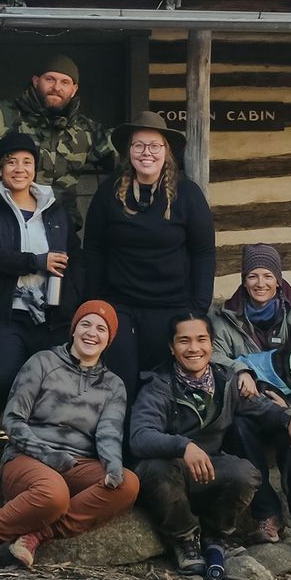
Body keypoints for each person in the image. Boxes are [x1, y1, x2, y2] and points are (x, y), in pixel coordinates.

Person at [0, 301, 140, 570]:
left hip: (77, 464)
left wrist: (113, 465)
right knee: (53, 493)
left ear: (109, 340)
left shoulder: (113, 385)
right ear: (73, 330)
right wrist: (48, 455)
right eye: (85, 324)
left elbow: (108, 433)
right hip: (27, 458)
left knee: (127, 484)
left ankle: (37, 535)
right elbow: (13, 421)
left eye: (101, 329)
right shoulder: (42, 362)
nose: (91, 333)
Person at [130, 313, 291, 577]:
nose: (194, 348)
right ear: (172, 347)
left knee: (244, 473)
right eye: (184, 341)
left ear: (212, 344)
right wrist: (183, 447)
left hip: (208, 469)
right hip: (170, 470)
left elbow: (260, 407)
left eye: (201, 339)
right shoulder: (159, 385)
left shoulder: (225, 381)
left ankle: (217, 536)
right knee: (155, 471)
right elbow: (140, 436)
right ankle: (185, 540)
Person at [83, 111, 215, 410]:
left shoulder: (188, 195)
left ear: (166, 151)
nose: (147, 153)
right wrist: (94, 305)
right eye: (138, 145)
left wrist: (197, 307)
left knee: (159, 384)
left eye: (155, 146)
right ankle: (120, 452)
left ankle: (157, 449)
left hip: (171, 306)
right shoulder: (108, 194)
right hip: (121, 306)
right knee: (121, 381)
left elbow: (204, 253)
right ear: (128, 151)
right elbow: (93, 249)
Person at [210, 243, 291, 572]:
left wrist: (289, 403)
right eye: (252, 276)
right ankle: (266, 512)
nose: (259, 283)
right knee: (237, 429)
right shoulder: (225, 316)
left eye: (267, 276)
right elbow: (216, 356)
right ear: (243, 280)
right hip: (249, 406)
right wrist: (243, 370)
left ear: (278, 280)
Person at [0, 128, 82, 441]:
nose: (19, 169)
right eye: (11, 162)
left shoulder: (55, 211)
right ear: (0, 169)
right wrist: (35, 261)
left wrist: (75, 304)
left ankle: (31, 438)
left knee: (50, 383)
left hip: (51, 312)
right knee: (0, 376)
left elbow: (75, 257)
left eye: (27, 162)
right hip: (7, 310)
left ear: (35, 167)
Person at [0, 54, 115, 220]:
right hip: (8, 229)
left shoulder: (85, 130)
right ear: (36, 81)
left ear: (74, 89)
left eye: (65, 82)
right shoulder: (3, 117)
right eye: (50, 79)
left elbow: (129, 153)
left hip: (60, 234)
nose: (57, 87)